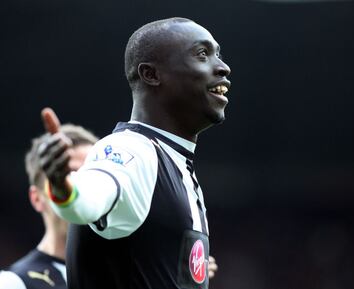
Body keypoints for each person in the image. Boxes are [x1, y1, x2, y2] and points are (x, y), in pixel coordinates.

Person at [38, 17, 230, 289]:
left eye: (218, 55)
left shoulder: (175, 162)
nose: (223, 67)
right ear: (151, 74)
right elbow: (89, 199)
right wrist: (62, 186)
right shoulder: (131, 149)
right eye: (203, 54)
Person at [0, 124, 98, 289]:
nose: (79, 188)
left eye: (91, 175)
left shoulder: (132, 273)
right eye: (67, 175)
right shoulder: (13, 283)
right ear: (37, 198)